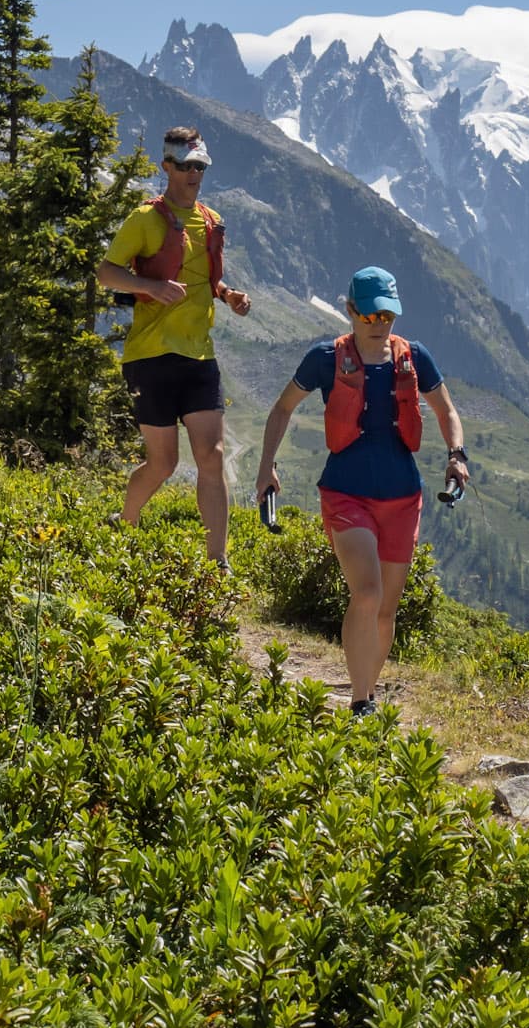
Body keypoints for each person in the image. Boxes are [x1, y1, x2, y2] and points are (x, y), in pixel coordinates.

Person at [254, 265, 469, 715]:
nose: (379, 325)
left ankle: (368, 691)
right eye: (369, 316)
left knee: (387, 608)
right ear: (350, 310)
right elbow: (281, 409)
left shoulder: (415, 357)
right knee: (367, 593)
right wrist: (266, 467)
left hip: (402, 497)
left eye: (386, 316)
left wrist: (457, 454)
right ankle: (358, 701)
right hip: (345, 493)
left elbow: (447, 410)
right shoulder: (324, 358)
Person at [97, 126, 251, 568]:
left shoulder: (211, 220)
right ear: (167, 167)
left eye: (199, 166)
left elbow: (208, 279)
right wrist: (151, 286)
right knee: (163, 464)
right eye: (184, 166)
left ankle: (216, 562)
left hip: (199, 357)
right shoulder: (145, 218)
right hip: (149, 357)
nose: (193, 174)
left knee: (212, 455)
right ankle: (125, 520)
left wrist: (228, 295)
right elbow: (107, 273)